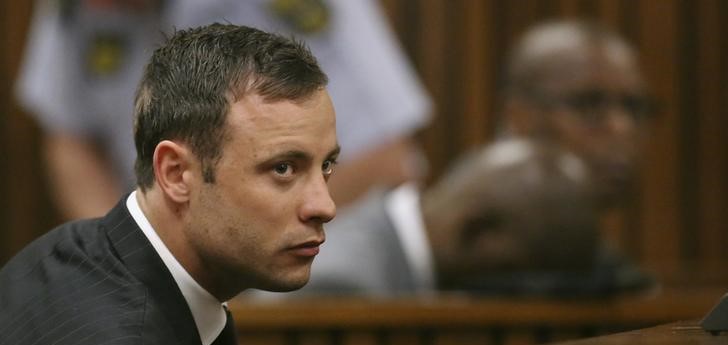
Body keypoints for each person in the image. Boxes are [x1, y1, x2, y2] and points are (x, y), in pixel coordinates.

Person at [0, 23, 337, 345]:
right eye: (283, 168)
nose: (325, 205)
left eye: (327, 165)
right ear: (177, 174)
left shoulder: (69, 249)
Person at [16, 0, 432, 219]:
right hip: (166, 269)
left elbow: (382, 160)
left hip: (318, 271)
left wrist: (221, 253)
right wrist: (123, 257)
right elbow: (69, 137)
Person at [281, 137, 603, 297]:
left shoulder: (379, 249)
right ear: (475, 229)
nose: (522, 293)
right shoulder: (343, 285)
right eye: (530, 270)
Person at [500, 19, 655, 212]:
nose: (621, 127)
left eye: (633, 107)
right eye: (589, 104)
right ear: (520, 118)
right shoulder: (469, 237)